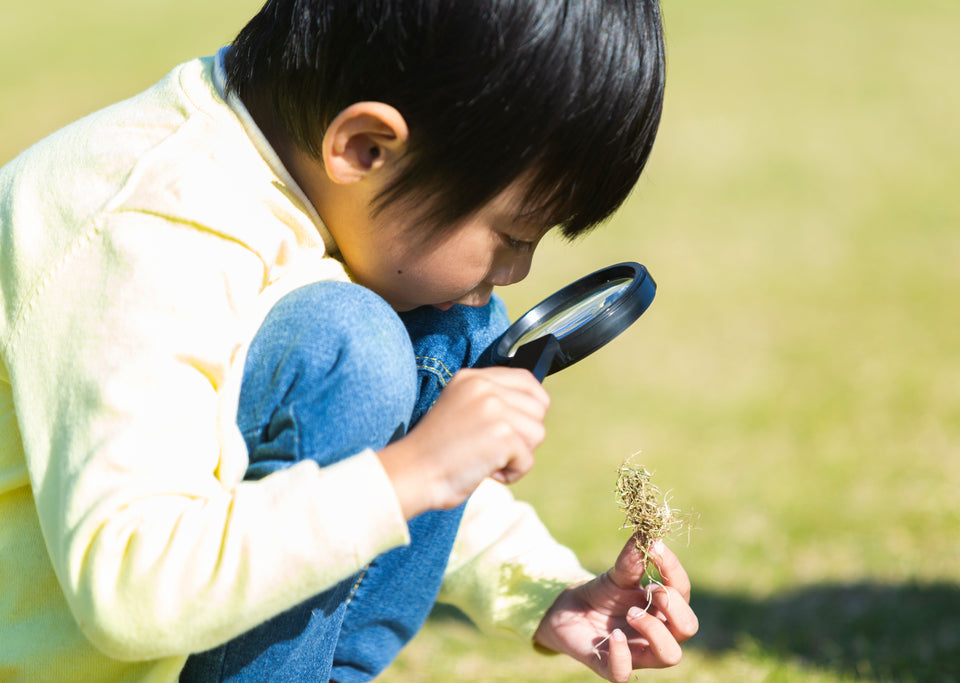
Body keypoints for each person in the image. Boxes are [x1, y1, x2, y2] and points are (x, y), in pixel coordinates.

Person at [0, 1, 698, 681]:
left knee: (448, 324)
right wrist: (416, 469)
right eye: (512, 235)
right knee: (352, 343)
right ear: (364, 147)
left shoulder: (295, 181)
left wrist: (547, 591)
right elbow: (130, 587)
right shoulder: (144, 235)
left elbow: (371, 470)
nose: (516, 270)